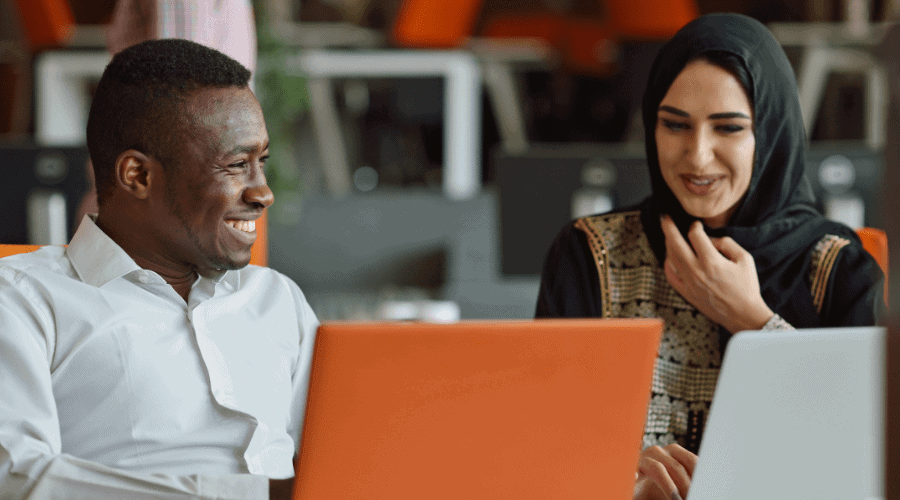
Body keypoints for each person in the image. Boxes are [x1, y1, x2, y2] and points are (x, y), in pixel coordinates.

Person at [535, 13, 884, 500]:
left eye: (729, 128)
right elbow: (547, 441)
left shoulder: (837, 266)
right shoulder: (591, 253)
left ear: (771, 132)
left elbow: (865, 455)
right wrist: (621, 473)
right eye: (675, 124)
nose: (697, 156)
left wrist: (753, 321)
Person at [0, 39, 315, 500]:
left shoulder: (277, 298)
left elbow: (341, 456)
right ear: (138, 176)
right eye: (236, 165)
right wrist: (243, 495)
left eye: (260, 162)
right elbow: (15, 476)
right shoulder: (22, 298)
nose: (262, 192)